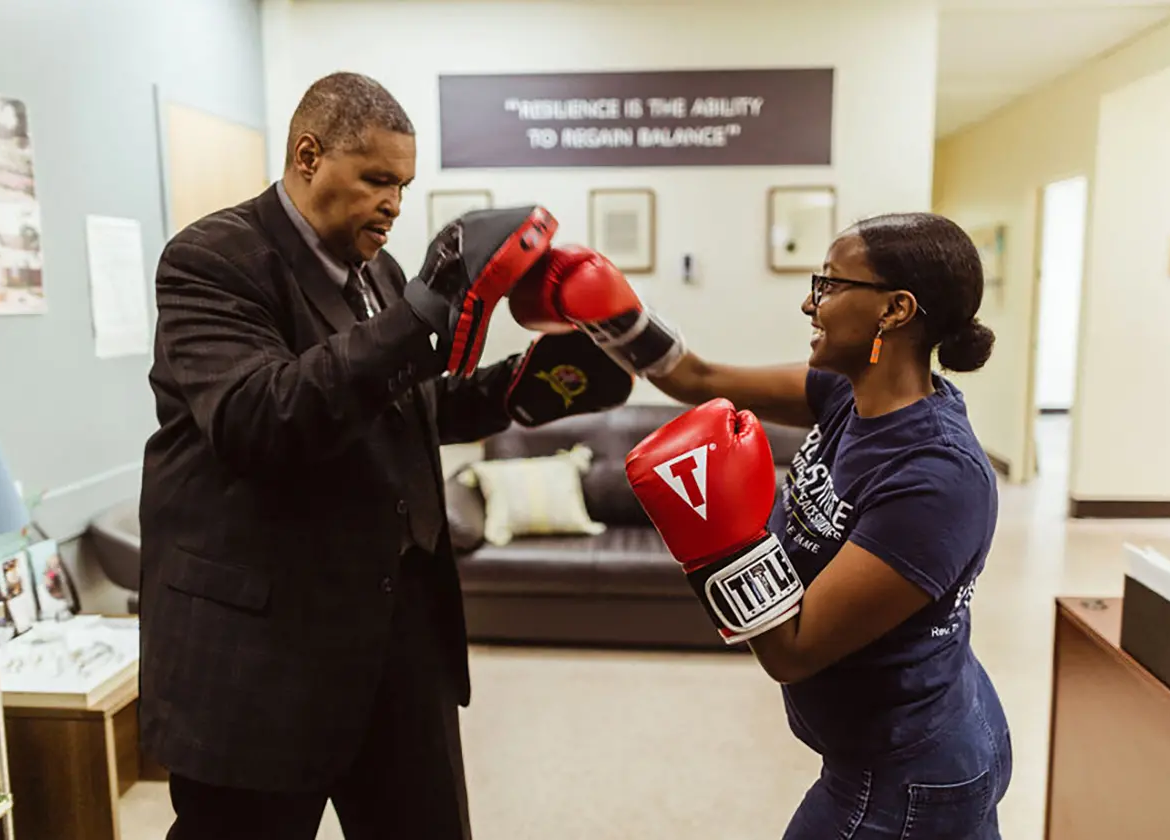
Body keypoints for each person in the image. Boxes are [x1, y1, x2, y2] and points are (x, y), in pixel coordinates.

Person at [138, 72, 630, 840]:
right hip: (262, 656)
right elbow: (260, 417)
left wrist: (546, 381)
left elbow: (412, 413)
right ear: (308, 156)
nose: (395, 204)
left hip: (397, 640)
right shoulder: (214, 260)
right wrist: (425, 309)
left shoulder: (380, 275)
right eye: (376, 180)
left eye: (402, 184)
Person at [510, 213, 1012, 838]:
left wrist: (718, 543)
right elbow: (698, 379)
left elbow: (793, 650)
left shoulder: (936, 477)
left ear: (895, 309)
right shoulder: (841, 394)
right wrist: (616, 318)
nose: (810, 302)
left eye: (829, 286)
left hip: (902, 768)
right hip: (916, 726)